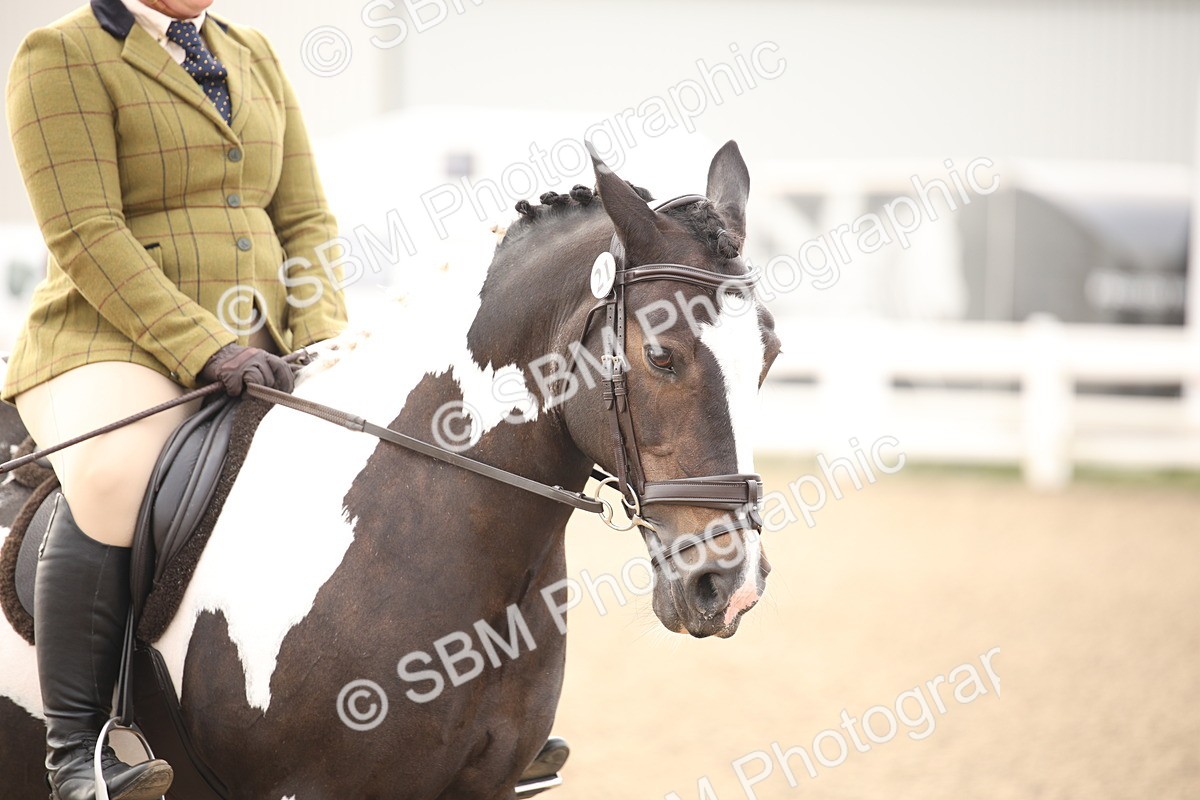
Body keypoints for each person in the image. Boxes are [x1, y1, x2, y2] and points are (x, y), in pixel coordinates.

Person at [2, 0, 347, 796]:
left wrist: (320, 337)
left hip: (262, 343)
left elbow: (305, 217)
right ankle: (80, 753)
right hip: (107, 340)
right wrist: (203, 347)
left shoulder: (252, 52)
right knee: (118, 473)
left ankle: (460, 709)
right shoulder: (60, 54)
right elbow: (87, 231)